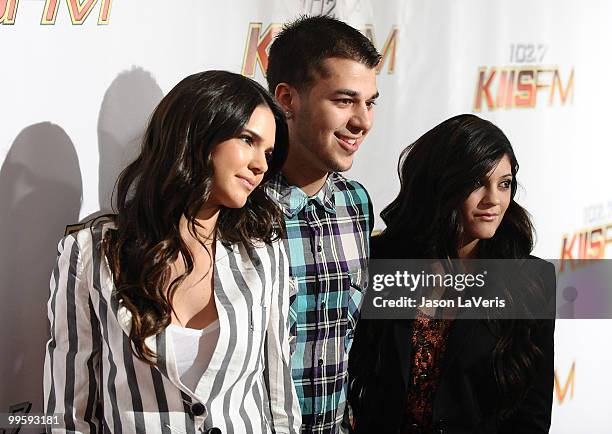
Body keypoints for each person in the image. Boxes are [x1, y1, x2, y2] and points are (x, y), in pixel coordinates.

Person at [43, 70, 301, 433]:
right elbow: (70, 411)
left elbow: (278, 395)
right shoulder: (92, 252)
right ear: (197, 134)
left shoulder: (261, 253)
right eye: (247, 139)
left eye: (268, 152)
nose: (261, 165)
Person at [348, 114, 556, 434]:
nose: (494, 200)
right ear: (442, 184)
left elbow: (531, 416)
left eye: (504, 183)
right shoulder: (382, 262)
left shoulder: (530, 279)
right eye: (477, 182)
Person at [264, 15, 381, 434]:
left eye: (370, 102)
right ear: (287, 99)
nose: (363, 121)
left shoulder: (357, 203)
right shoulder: (241, 207)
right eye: (344, 101)